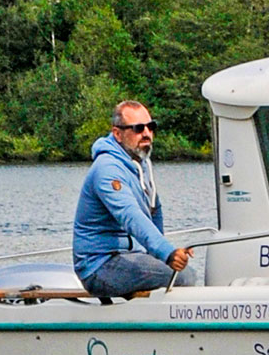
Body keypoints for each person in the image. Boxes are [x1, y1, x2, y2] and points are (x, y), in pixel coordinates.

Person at [73, 101, 197, 298]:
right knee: (184, 277)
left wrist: (160, 254)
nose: (146, 133)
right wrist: (167, 253)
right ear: (118, 134)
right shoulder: (107, 169)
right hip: (100, 266)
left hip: (129, 257)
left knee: (182, 273)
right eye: (138, 128)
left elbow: (154, 211)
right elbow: (130, 216)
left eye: (151, 126)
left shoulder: (141, 163)